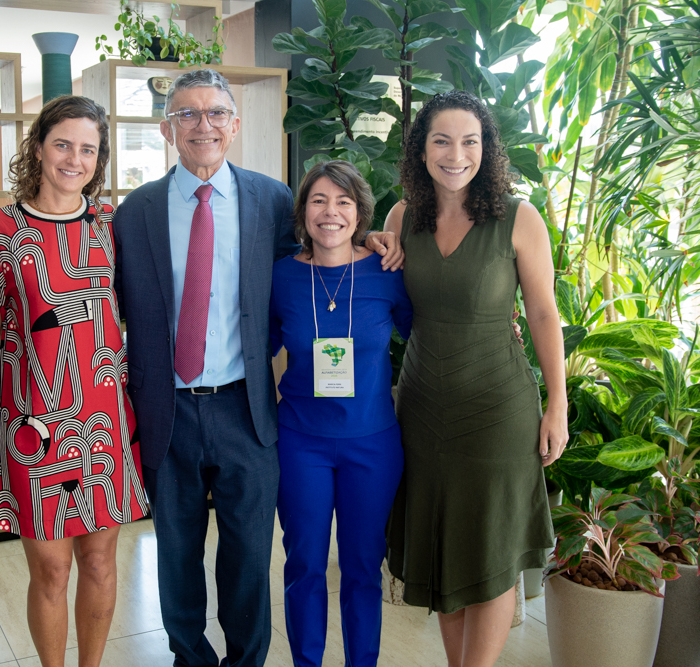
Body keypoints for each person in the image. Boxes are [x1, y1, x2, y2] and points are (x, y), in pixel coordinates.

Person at [113, 69, 403, 667]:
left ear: (235, 125)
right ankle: (189, 657)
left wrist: (372, 237)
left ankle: (247, 660)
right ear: (168, 128)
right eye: (187, 114)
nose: (203, 125)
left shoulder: (270, 199)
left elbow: (322, 245)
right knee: (176, 553)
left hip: (245, 406)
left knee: (248, 554)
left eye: (216, 113)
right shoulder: (134, 212)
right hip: (166, 408)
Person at [384, 90, 568, 667]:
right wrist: (368, 243)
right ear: (421, 149)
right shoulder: (400, 218)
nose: (456, 154)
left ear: (487, 149)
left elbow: (542, 313)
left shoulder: (519, 217)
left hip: (498, 409)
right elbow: (378, 296)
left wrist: (557, 405)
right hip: (421, 408)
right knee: (446, 549)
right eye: (441, 140)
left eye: (470, 141)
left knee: (490, 550)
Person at [0, 95, 147, 667]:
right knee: (50, 567)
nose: (74, 159)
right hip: (33, 421)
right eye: (63, 145)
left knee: (100, 561)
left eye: (88, 149)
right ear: (39, 148)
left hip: (104, 419)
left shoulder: (112, 228)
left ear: (100, 159)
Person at [270, 160, 412, 667]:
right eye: (318, 201)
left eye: (343, 202)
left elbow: (426, 337)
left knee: (361, 569)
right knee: (304, 563)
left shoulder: (388, 273)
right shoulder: (281, 276)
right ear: (303, 211)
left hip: (372, 444)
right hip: (301, 442)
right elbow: (256, 348)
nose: (330, 213)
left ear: (361, 214)